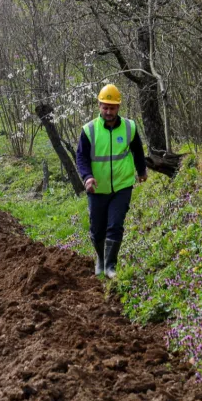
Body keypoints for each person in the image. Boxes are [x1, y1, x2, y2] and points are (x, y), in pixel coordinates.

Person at [76, 84, 147, 278]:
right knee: (97, 228)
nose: (108, 111)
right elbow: (81, 157)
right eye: (105, 107)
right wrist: (87, 177)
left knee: (115, 224)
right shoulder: (89, 130)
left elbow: (138, 150)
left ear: (118, 107)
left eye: (112, 107)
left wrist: (141, 171)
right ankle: (101, 259)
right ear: (99, 106)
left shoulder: (129, 127)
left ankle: (110, 266)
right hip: (97, 188)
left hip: (122, 186)